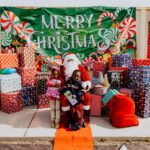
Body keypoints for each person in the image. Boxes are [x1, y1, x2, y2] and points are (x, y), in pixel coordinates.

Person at [60, 52, 91, 125]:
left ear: (75, 60)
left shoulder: (81, 68)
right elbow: (62, 80)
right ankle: (71, 119)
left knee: (87, 97)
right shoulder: (63, 69)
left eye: (72, 60)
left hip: (79, 89)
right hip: (68, 89)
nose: (70, 62)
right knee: (64, 99)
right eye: (68, 60)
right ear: (65, 61)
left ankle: (83, 118)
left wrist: (85, 85)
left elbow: (87, 80)